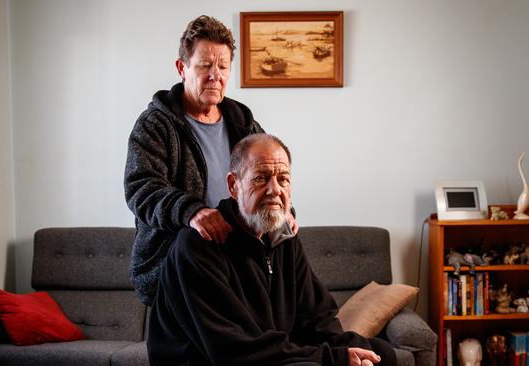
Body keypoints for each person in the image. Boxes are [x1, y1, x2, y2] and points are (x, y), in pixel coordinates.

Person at [148, 133, 397, 366]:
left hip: (268, 353)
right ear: (233, 185)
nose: (274, 190)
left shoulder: (283, 236)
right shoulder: (198, 246)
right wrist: (334, 359)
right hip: (218, 360)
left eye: (283, 179)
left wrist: (350, 350)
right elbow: (232, 350)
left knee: (380, 354)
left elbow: (317, 317)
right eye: (261, 177)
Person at [124, 15, 297, 306]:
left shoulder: (245, 125)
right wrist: (192, 211)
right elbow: (141, 189)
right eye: (204, 65)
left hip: (236, 267)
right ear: (183, 68)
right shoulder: (155, 124)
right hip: (177, 269)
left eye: (222, 66)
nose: (214, 75)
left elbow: (270, 176)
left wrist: (285, 212)